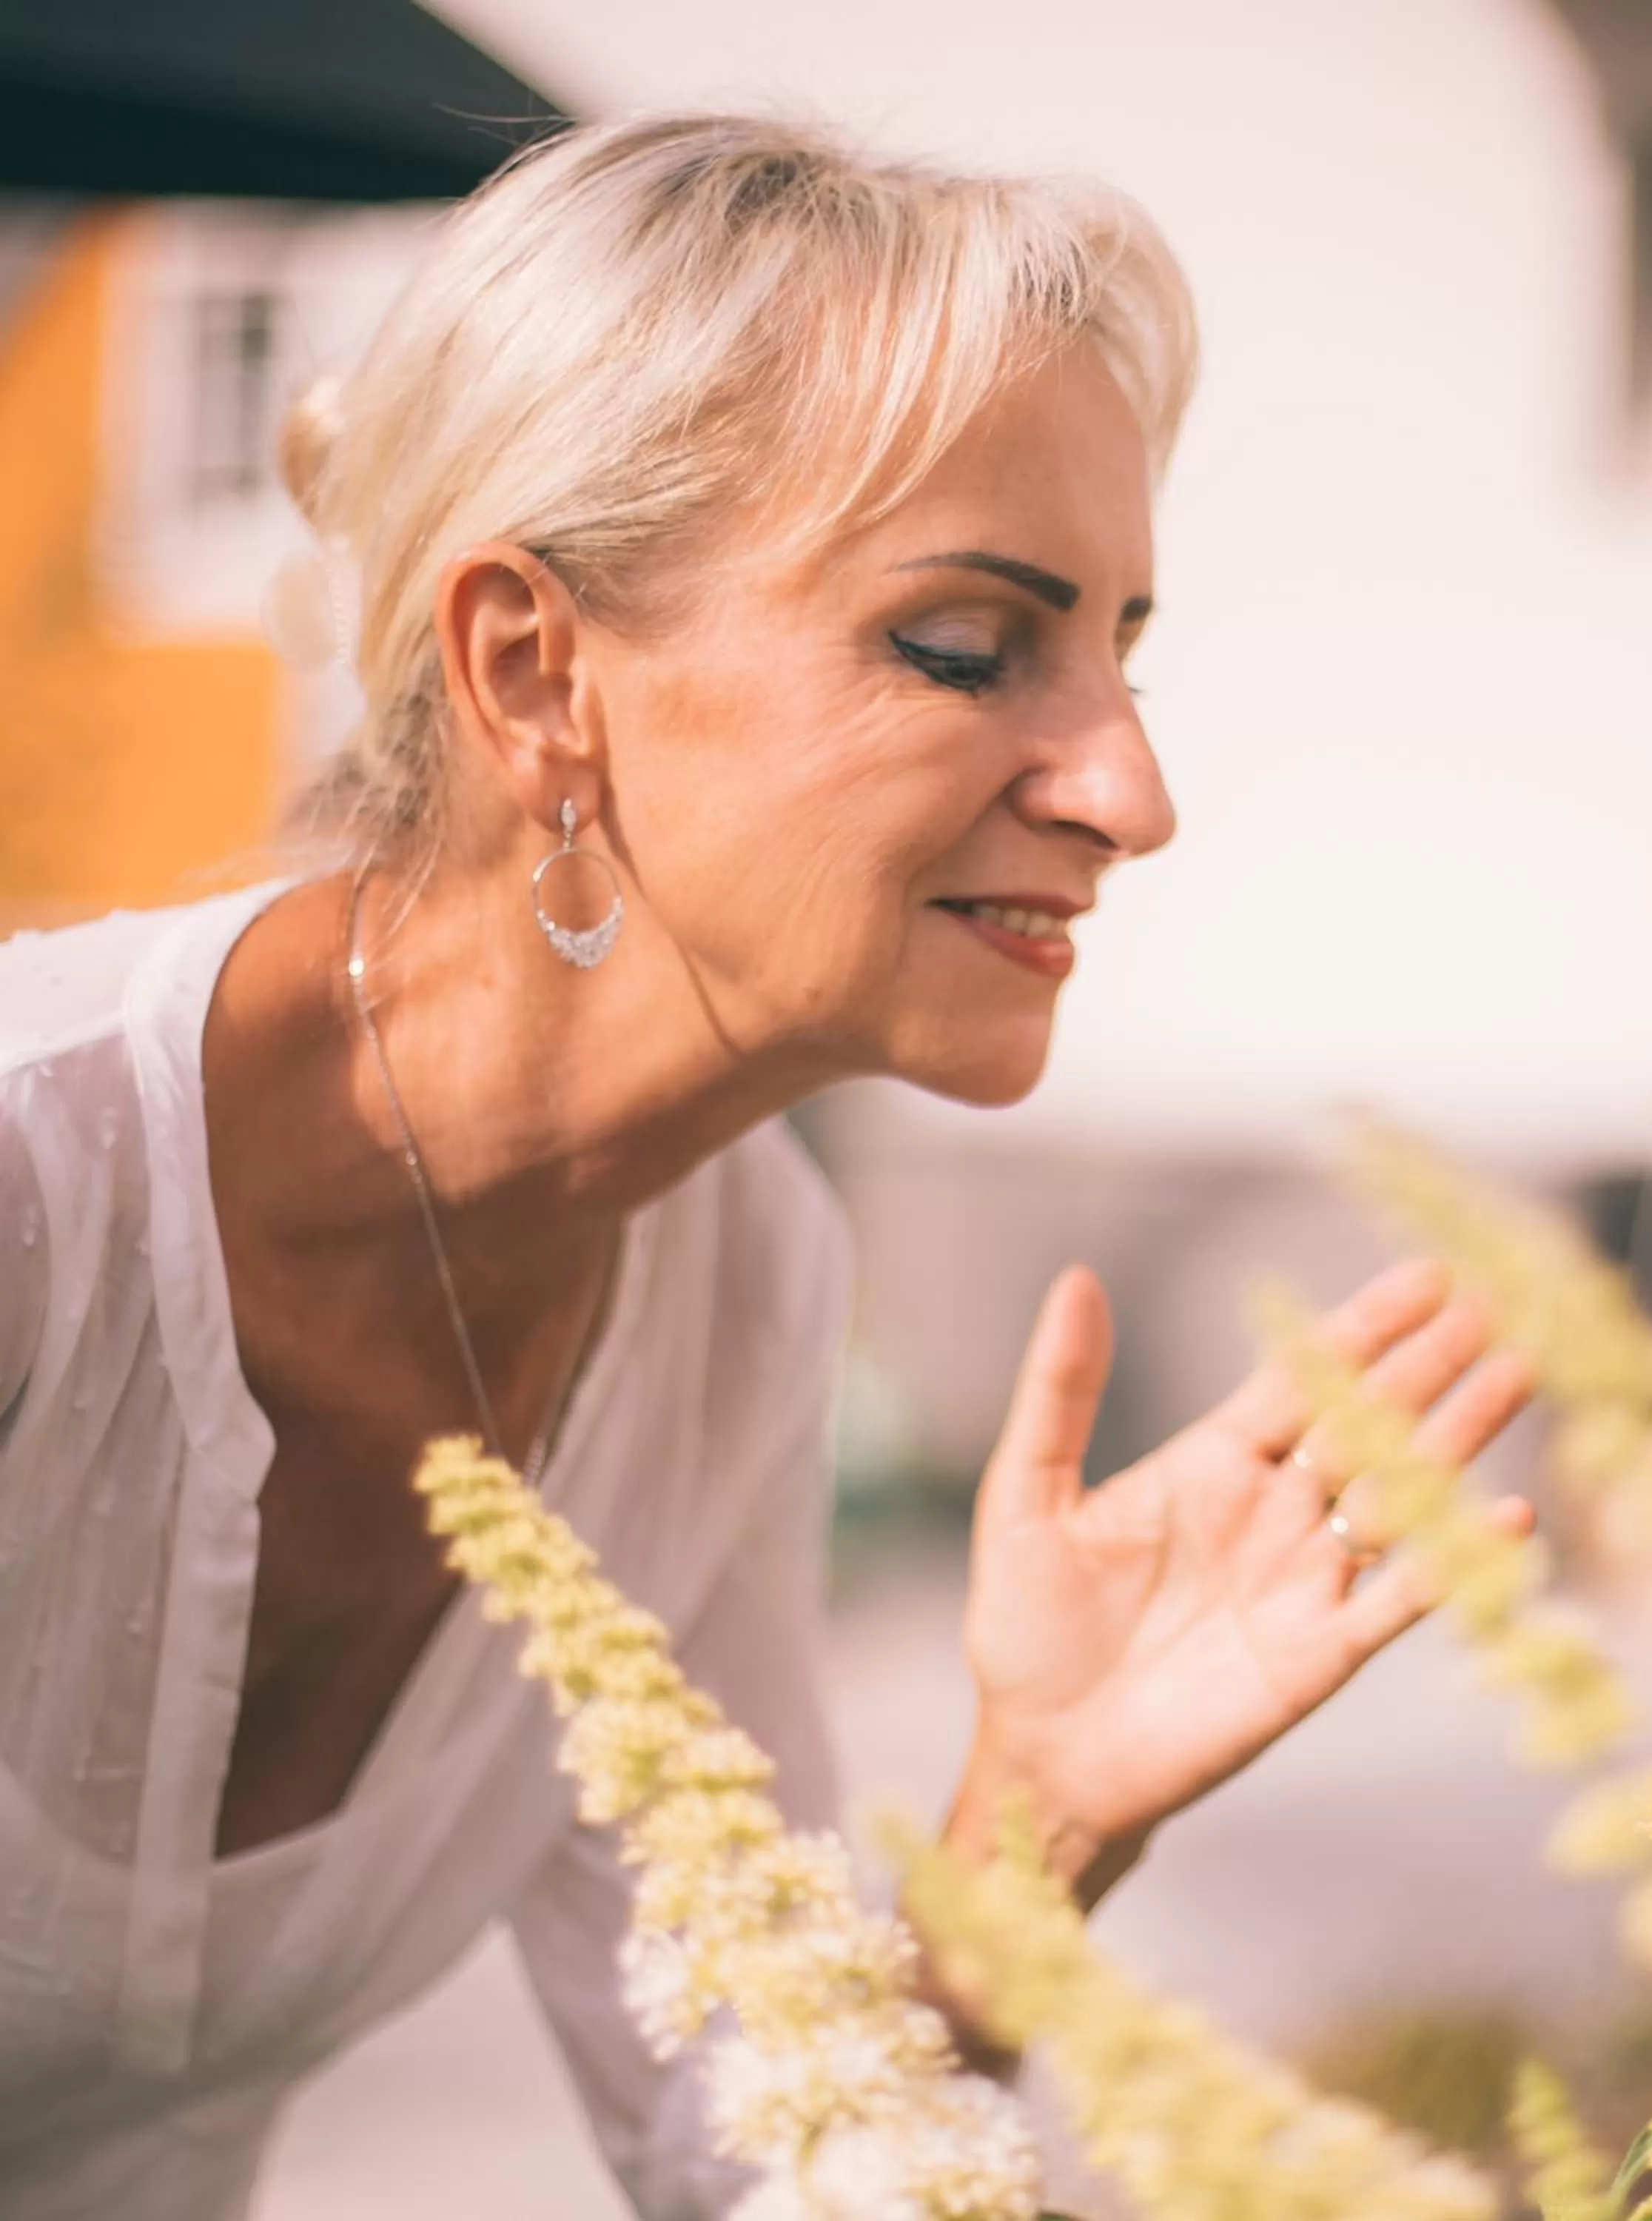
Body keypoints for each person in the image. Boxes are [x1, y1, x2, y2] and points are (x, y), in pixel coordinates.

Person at [0, 115, 1534, 2219]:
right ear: (537, 671)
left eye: (1121, 649)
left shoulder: (735, 1280)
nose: (1131, 789)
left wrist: (1037, 1824)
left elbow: (743, 2142)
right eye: (970, 646)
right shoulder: (31, 1186)